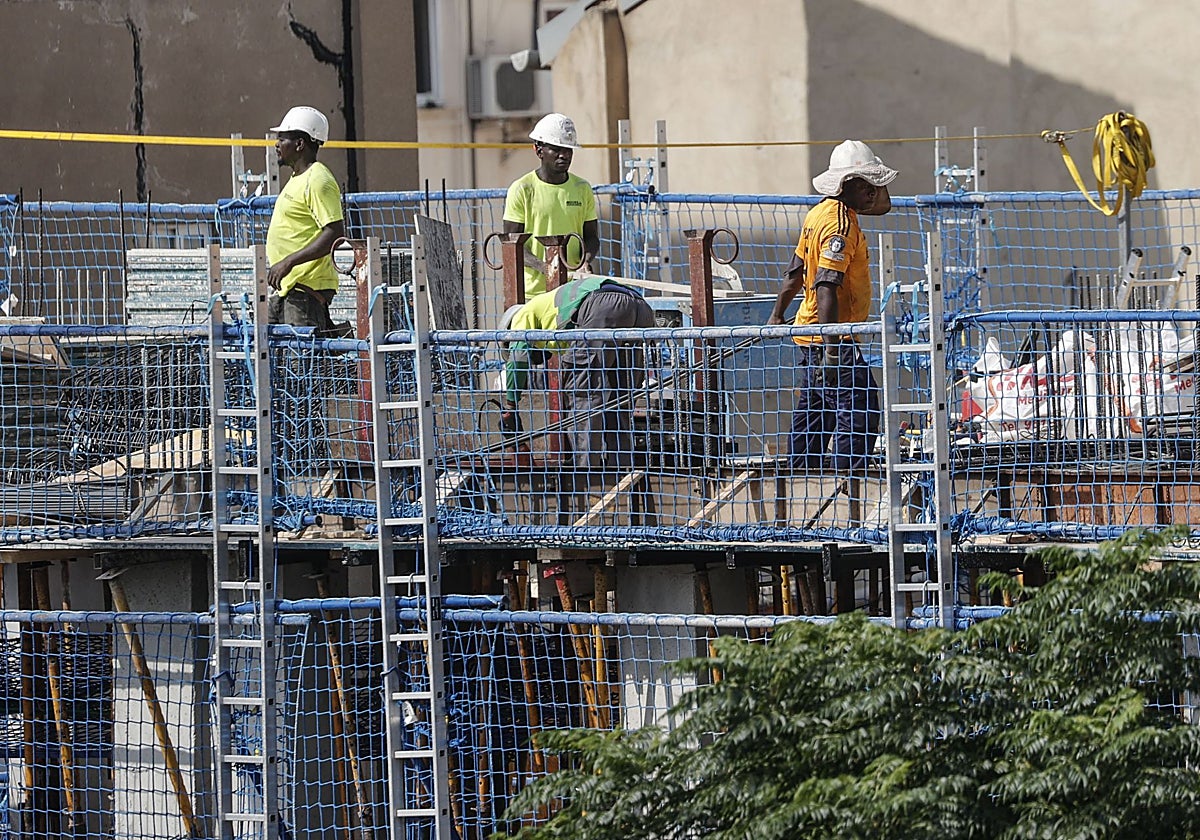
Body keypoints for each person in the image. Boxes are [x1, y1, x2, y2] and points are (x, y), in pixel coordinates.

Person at [767, 140, 897, 470]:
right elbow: (825, 284)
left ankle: (801, 475)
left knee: (815, 411)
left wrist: (777, 314)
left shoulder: (818, 214)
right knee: (858, 409)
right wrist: (833, 349)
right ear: (847, 185)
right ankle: (848, 480)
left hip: (812, 337)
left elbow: (795, 270)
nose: (873, 191)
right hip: (833, 341)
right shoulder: (839, 225)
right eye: (866, 184)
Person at [499, 276, 655, 498]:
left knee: (584, 396)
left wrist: (511, 405)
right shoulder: (554, 318)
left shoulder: (522, 317)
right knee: (617, 402)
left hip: (602, 307)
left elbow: (517, 359)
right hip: (639, 307)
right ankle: (622, 475)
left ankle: (585, 479)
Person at [503, 113, 600, 297]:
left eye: (568, 149)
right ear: (538, 150)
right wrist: (546, 268)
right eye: (556, 149)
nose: (564, 155)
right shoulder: (523, 189)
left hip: (573, 291)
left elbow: (591, 238)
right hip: (532, 294)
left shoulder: (582, 188)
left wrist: (584, 262)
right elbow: (512, 244)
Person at [266, 105, 346, 329]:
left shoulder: (318, 179)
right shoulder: (298, 179)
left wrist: (288, 263)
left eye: (283, 139)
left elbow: (334, 234)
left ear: (300, 144)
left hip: (305, 291)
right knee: (275, 361)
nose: (276, 144)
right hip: (288, 287)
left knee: (300, 361)